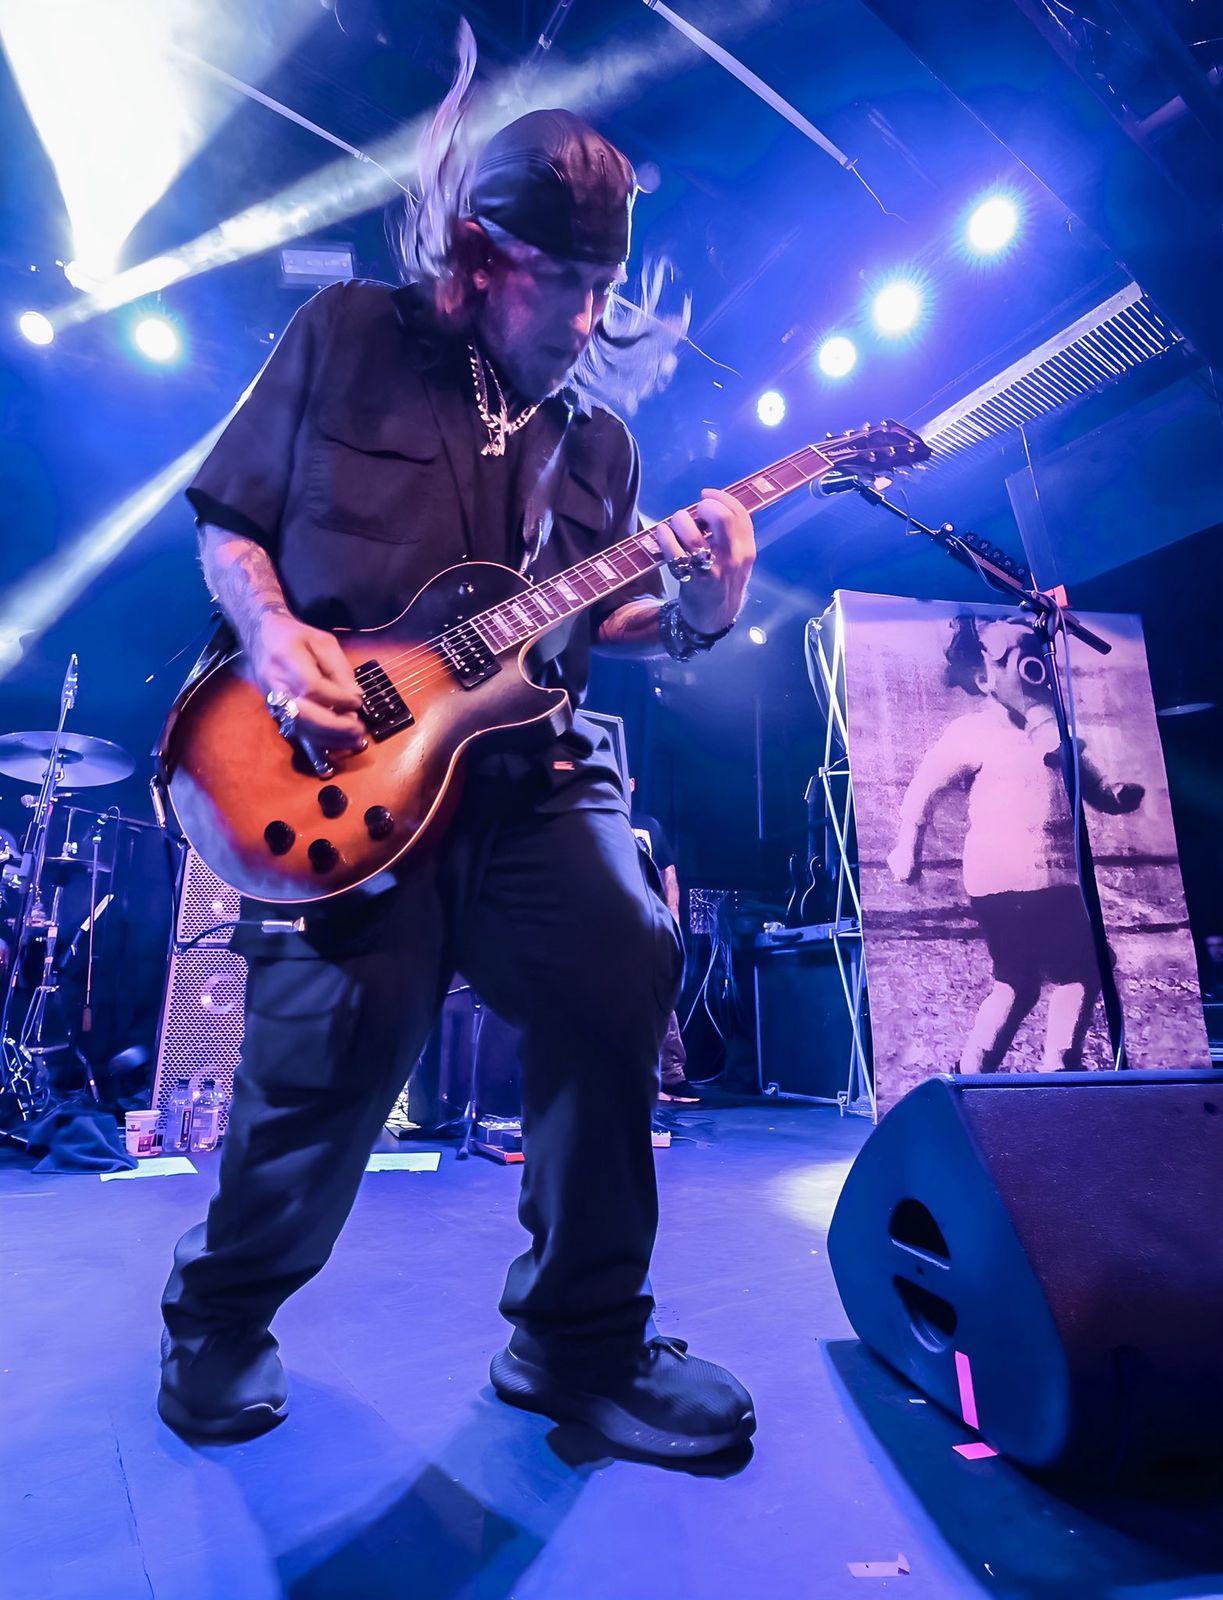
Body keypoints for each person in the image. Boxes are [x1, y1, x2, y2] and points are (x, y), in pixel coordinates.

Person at [156, 65, 757, 1463]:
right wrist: (273, 636)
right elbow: (229, 521)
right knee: (325, 1071)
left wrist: (697, 610)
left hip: (526, 777)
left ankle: (575, 1344)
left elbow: (591, 621)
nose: (589, 320)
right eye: (567, 286)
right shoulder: (344, 337)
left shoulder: (596, 444)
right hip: (340, 766)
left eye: (607, 289)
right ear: (481, 259)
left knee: (622, 958)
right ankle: (218, 1322)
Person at [887, 614, 1143, 1074]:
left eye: (1035, 659)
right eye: (1016, 661)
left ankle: (1020, 1066)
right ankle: (1001, 1069)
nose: (1031, 670)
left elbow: (1084, 777)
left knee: (1041, 978)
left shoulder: (1053, 731)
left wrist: (1112, 794)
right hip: (1002, 876)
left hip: (1053, 877)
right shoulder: (973, 733)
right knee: (1048, 975)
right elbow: (924, 787)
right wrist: (908, 845)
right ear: (984, 679)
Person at [628, 778, 702, 1103]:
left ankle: (671, 1077)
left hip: (649, 924)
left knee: (660, 996)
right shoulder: (594, 819)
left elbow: (668, 874)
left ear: (632, 784)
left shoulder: (647, 825)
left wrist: (673, 918)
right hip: (605, 923)